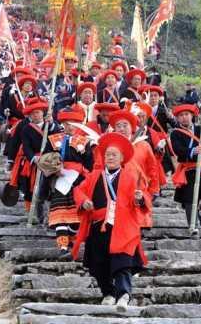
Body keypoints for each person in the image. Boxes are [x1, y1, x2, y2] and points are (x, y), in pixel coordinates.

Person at [72, 132, 149, 310]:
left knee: (122, 261)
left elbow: (141, 198)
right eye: (107, 154)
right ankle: (108, 292)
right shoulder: (94, 176)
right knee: (98, 263)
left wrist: (139, 198)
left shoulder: (130, 176)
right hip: (99, 225)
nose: (111, 157)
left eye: (114, 154)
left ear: (122, 158)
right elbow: (78, 191)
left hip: (123, 225)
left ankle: (124, 295)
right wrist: (84, 201)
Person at [41, 105, 94, 258]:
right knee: (61, 214)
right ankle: (62, 246)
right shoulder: (53, 140)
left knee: (75, 214)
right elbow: (45, 159)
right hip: (58, 179)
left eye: (73, 124)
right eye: (67, 124)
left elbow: (90, 164)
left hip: (78, 181)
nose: (70, 127)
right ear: (63, 125)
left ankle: (72, 239)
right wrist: (53, 167)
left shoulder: (84, 142)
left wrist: (87, 153)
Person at [139, 84, 177, 174]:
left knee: (162, 164)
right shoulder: (142, 110)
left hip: (161, 140)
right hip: (147, 139)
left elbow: (175, 125)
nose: (153, 98)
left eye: (155, 95)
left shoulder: (164, 110)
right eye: (151, 95)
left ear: (159, 97)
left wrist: (171, 118)